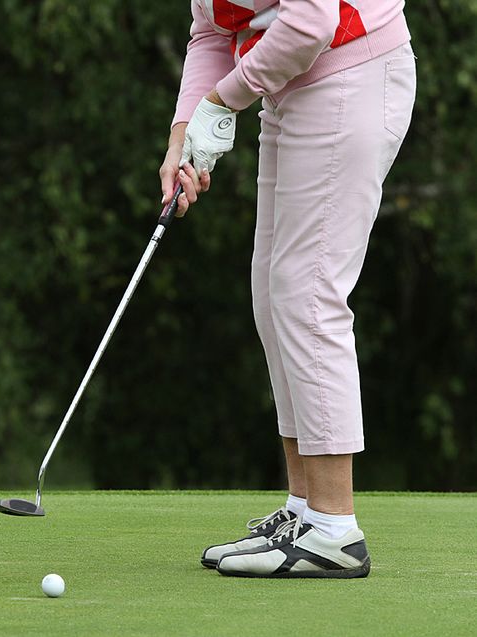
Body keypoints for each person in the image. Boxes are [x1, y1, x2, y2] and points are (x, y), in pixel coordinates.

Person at [159, 0, 416, 578]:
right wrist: (184, 134)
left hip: (350, 73)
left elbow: (311, 21)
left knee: (308, 296)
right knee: (273, 296)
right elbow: (212, 31)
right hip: (289, 89)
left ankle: (334, 529)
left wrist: (222, 100)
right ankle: (304, 511)